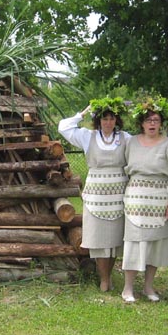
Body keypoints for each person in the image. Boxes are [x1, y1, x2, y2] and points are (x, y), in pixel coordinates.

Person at [58, 97, 131, 292]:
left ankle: (110, 274)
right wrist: (81, 114)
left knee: (115, 238)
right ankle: (104, 278)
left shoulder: (125, 138)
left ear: (117, 120)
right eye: (104, 118)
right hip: (96, 195)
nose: (108, 122)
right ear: (98, 120)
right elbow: (63, 127)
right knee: (99, 239)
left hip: (118, 194)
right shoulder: (87, 136)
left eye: (111, 118)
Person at [121, 95, 168, 303]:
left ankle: (148, 286)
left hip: (159, 198)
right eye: (148, 120)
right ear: (141, 123)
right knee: (135, 242)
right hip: (136, 197)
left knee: (154, 245)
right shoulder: (131, 142)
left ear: (161, 123)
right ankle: (127, 288)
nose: (152, 124)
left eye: (156, 120)